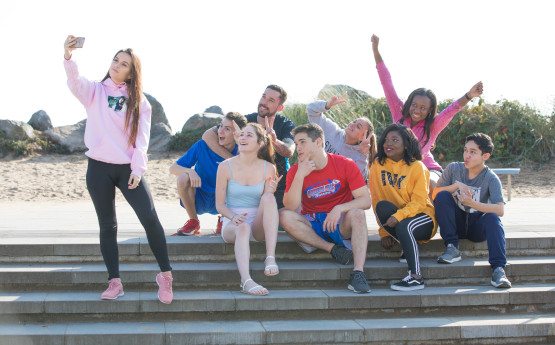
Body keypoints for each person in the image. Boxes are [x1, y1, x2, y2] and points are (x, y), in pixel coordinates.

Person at [63, 35, 173, 304]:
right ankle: (115, 282)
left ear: (131, 72)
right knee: (107, 225)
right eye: (115, 60)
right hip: (98, 168)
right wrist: (68, 56)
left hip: (127, 169)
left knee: (150, 219)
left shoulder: (140, 102)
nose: (117, 65)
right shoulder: (95, 91)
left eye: (123, 63)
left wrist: (138, 168)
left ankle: (165, 276)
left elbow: (142, 139)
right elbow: (74, 82)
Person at [371, 34, 484, 195]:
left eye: (423, 108)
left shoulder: (434, 125)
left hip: (428, 170)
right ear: (409, 103)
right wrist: (376, 50)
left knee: (429, 183)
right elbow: (386, 82)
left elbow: (452, 109)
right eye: (414, 105)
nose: (417, 110)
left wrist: (469, 95)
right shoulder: (399, 114)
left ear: (430, 110)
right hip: (400, 171)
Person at [280, 123, 372, 294]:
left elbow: (366, 201)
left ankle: (358, 273)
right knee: (284, 216)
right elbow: (290, 207)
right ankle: (332, 249)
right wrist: (300, 175)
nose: (298, 147)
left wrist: (339, 208)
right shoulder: (295, 171)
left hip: (339, 223)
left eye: (302, 142)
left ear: (318, 142)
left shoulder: (345, 164)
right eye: (296, 143)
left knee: (358, 213)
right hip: (313, 224)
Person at [433, 133, 511, 288]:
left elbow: (500, 210)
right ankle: (452, 248)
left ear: (485, 156)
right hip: (457, 224)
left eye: (473, 152)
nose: (467, 155)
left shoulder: (491, 178)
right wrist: (456, 186)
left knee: (493, 218)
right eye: (465, 150)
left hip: (477, 227)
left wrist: (472, 203)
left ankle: (498, 270)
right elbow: (434, 194)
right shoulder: (454, 168)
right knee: (442, 195)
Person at [215, 123, 281, 296]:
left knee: (269, 198)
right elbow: (220, 205)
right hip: (233, 222)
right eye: (242, 134)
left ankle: (270, 257)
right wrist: (233, 216)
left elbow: (266, 203)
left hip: (258, 224)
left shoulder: (269, 167)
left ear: (260, 143)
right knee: (243, 226)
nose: (242, 137)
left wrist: (270, 191)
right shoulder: (225, 166)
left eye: (249, 135)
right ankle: (246, 281)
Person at [203, 85, 295, 210]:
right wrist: (232, 160)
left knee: (283, 219)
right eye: (263, 97)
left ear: (280, 107)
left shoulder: (285, 124)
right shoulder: (245, 120)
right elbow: (208, 135)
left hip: (276, 186)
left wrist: (274, 140)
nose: (263, 102)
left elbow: (289, 151)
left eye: (271, 100)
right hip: (246, 187)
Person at [369, 124, 437, 291]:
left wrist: (399, 216)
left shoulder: (417, 167)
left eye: (395, 140)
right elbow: (377, 197)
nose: (388, 144)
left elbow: (420, 202)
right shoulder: (378, 165)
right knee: (382, 206)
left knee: (405, 225)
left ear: (406, 144)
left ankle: (415, 277)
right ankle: (408, 244)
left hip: (423, 218)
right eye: (386, 140)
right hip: (397, 218)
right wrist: (383, 232)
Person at [169, 112, 247, 236]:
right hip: (199, 197)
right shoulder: (202, 146)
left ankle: (224, 219)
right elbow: (173, 168)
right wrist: (190, 171)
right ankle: (193, 222)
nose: (220, 131)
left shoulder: (241, 151)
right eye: (220, 126)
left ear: (237, 133)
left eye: (227, 129)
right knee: (183, 177)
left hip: (224, 201)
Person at [307, 95, 377, 182]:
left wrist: (363, 154)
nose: (352, 124)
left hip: (335, 191)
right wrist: (326, 105)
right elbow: (311, 109)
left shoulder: (359, 156)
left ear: (362, 137)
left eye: (358, 127)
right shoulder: (332, 130)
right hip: (313, 181)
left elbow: (359, 180)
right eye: (354, 121)